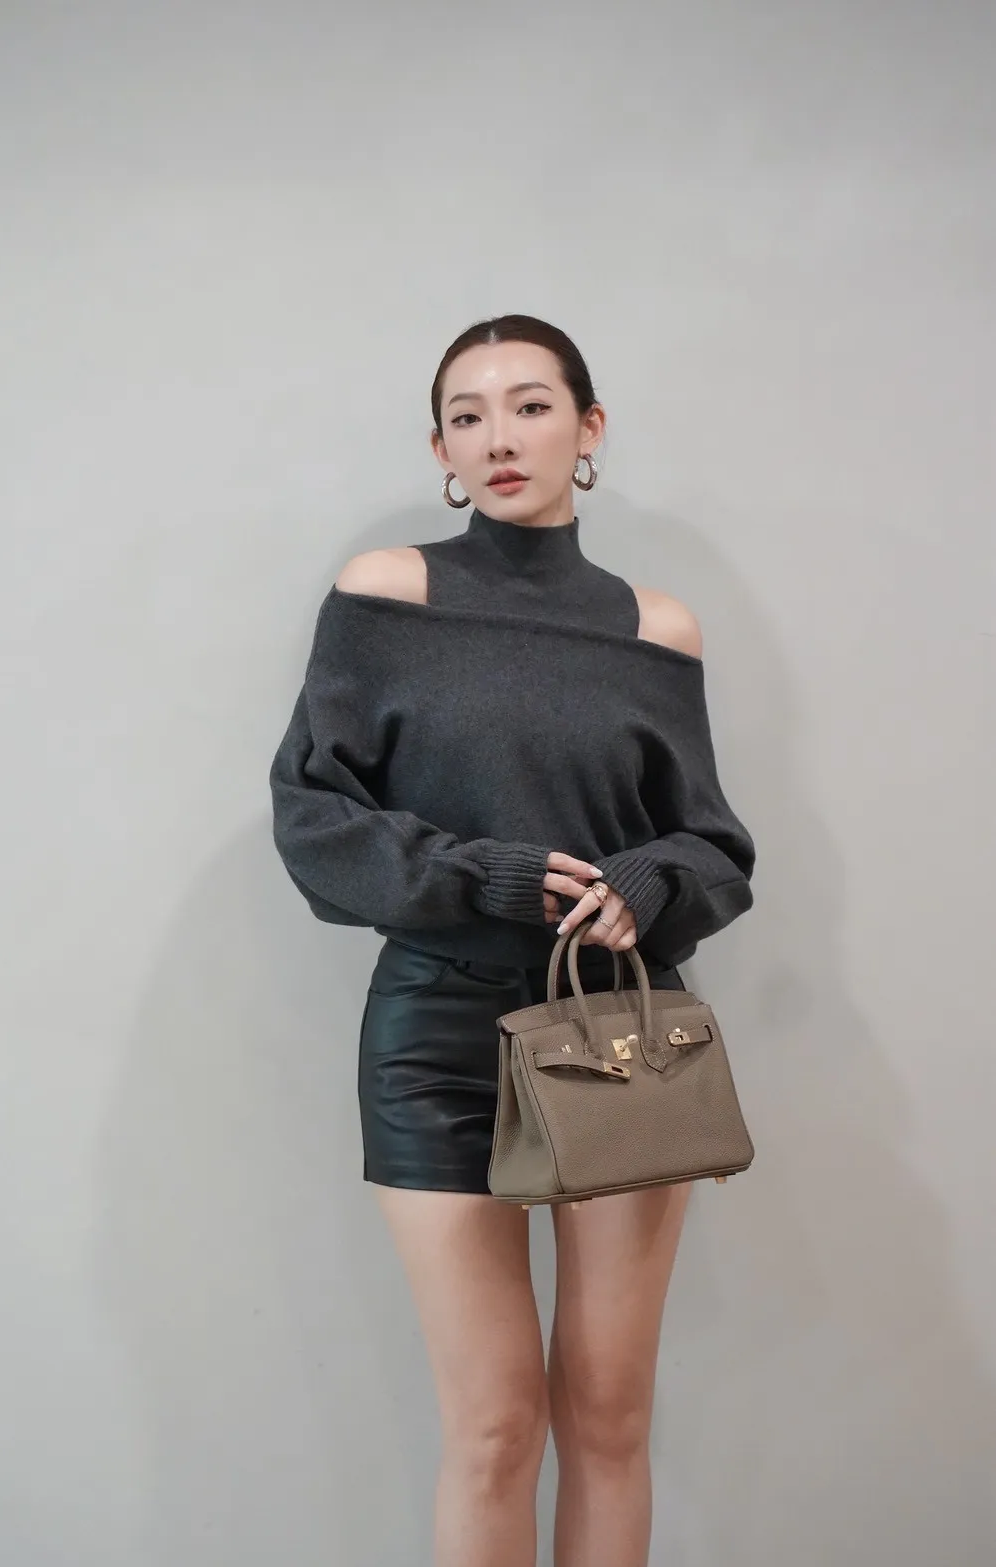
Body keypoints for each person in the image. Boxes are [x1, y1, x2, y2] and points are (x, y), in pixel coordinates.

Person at [269, 313, 755, 1567]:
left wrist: (648, 879)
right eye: (467, 414)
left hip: (617, 1031)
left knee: (609, 1416)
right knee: (492, 1428)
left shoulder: (655, 629)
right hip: (435, 1028)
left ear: (587, 429)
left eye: (531, 405)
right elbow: (315, 816)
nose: (499, 436)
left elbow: (713, 846)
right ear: (439, 447)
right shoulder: (384, 595)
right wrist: (477, 875)